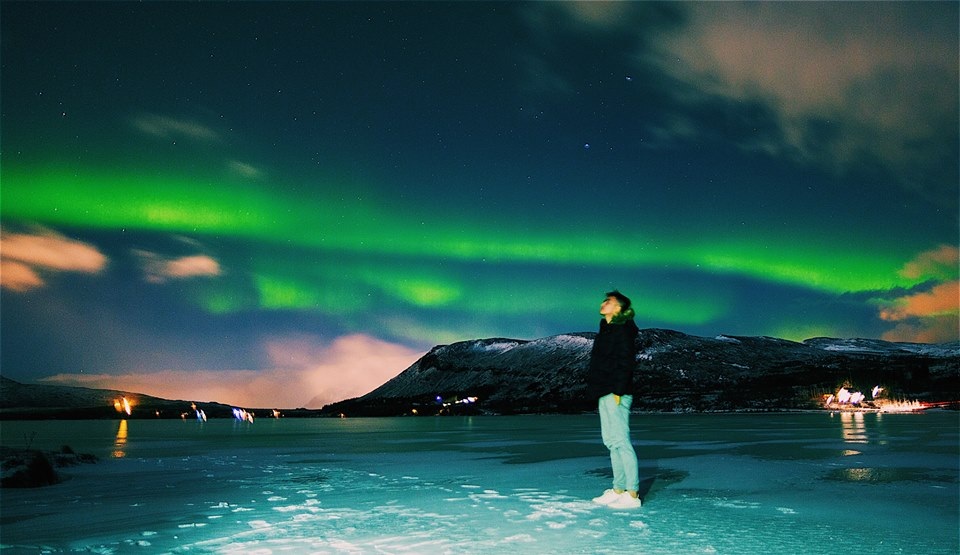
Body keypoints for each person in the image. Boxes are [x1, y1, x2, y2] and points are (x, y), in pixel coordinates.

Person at [586, 290, 642, 509]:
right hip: (605, 391)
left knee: (621, 442)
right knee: (611, 441)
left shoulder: (622, 331)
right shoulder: (607, 330)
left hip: (616, 392)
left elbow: (625, 362)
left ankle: (632, 493)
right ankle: (619, 489)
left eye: (608, 301)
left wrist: (618, 391)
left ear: (618, 308)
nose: (603, 303)